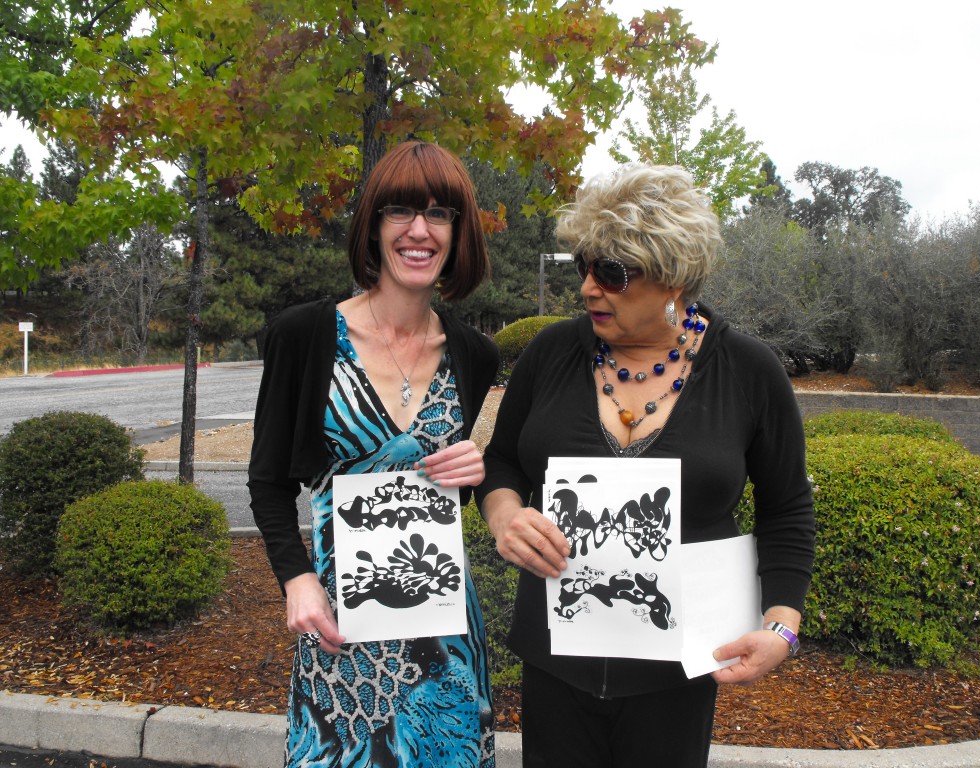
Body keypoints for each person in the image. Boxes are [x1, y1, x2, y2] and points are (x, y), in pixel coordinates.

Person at [477, 164, 816, 767]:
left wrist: (782, 625)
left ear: (673, 277)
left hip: (676, 674)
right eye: (584, 265)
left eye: (612, 273)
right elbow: (502, 461)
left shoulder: (749, 371)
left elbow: (787, 508)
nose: (587, 288)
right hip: (556, 659)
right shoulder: (550, 353)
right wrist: (504, 515)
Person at [248, 141, 499, 767]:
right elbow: (267, 480)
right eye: (400, 211)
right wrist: (297, 578)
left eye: (439, 214)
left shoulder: (473, 354)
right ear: (373, 226)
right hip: (341, 622)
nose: (420, 230)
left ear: (457, 233)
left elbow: (438, 496)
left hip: (443, 631)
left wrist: (472, 472)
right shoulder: (304, 335)